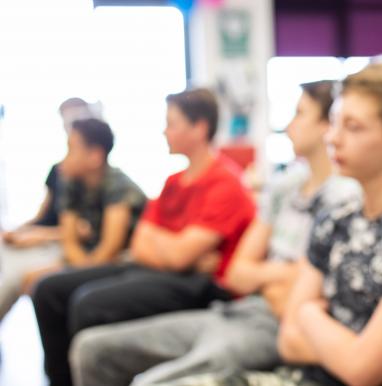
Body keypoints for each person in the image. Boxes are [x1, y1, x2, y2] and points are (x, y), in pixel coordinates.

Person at [149, 63, 382, 386]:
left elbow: (361, 369)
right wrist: (349, 345)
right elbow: (289, 341)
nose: (333, 138)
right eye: (335, 123)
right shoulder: (337, 217)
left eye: (353, 127)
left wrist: (310, 315)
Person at [68, 80, 359, 386]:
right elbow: (236, 271)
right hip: (237, 309)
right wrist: (280, 277)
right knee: (90, 347)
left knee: (141, 370)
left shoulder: (344, 199)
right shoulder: (285, 187)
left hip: (265, 321)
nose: (288, 126)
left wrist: (264, 276)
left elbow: (300, 290)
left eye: (300, 114)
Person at [32, 88, 256, 386]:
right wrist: (175, 250)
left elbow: (177, 256)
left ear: (199, 128)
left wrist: (167, 247)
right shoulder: (173, 182)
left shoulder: (225, 184)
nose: (164, 131)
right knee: (48, 289)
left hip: (199, 286)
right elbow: (142, 243)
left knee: (89, 304)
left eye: (172, 123)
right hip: (157, 269)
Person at [0, 118, 146, 322]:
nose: (65, 159)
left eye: (71, 149)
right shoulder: (71, 182)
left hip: (122, 261)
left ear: (95, 155)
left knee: (38, 282)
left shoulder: (118, 185)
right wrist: (76, 265)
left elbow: (109, 250)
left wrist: (73, 271)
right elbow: (69, 240)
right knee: (21, 272)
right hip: (86, 256)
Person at [1, 97, 99, 247]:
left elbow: (84, 229)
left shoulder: (95, 176)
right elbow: (42, 214)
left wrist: (40, 235)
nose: (70, 125)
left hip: (56, 243)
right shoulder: (57, 169)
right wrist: (19, 231)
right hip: (47, 236)